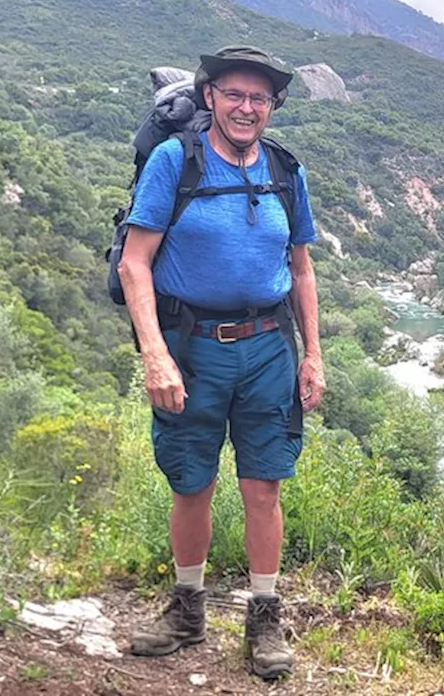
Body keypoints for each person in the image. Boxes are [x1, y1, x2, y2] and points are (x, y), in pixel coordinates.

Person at [116, 45, 325, 680]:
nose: (246, 107)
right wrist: (155, 355)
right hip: (191, 346)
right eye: (234, 94)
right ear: (209, 97)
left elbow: (301, 268)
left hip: (267, 348)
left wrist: (314, 354)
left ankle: (265, 614)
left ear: (273, 107)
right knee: (191, 481)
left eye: (259, 98)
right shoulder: (174, 161)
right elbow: (135, 263)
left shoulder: (286, 171)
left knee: (265, 485)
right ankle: (187, 609)